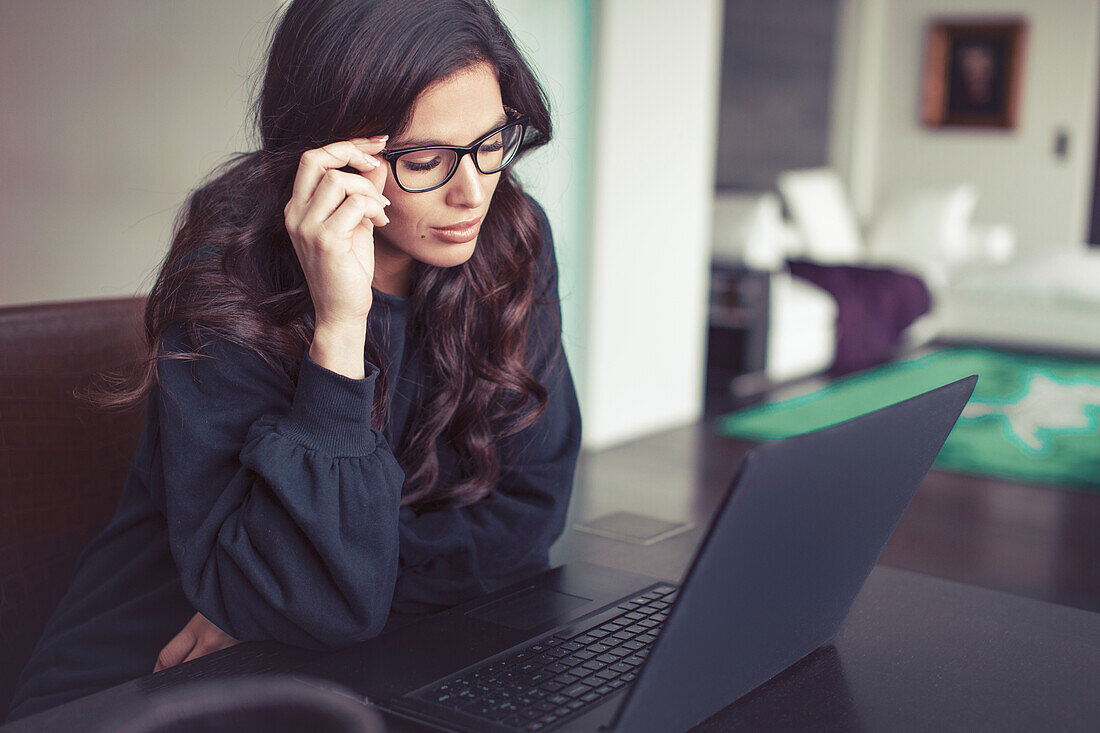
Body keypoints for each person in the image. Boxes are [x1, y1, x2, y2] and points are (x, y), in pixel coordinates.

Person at [7, 0, 580, 722]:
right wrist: (339, 328)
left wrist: (313, 589)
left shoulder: (509, 242)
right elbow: (319, 599)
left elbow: (530, 513)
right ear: (332, 155)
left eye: (491, 141)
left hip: (335, 654)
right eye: (427, 160)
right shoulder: (229, 273)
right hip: (147, 677)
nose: (472, 191)